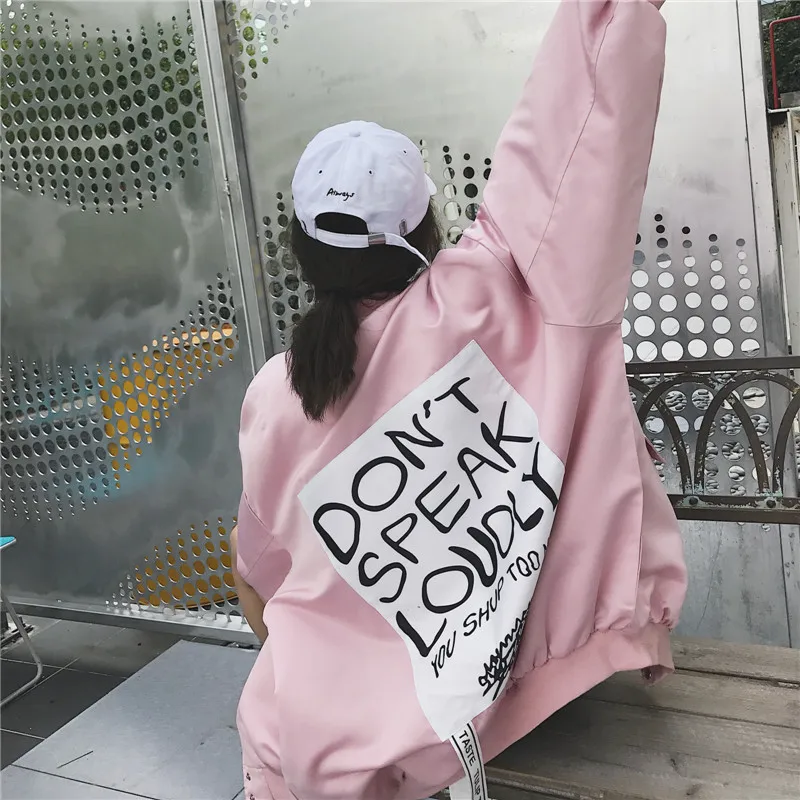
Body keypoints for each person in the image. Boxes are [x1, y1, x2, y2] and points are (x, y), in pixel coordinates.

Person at [231, 0, 687, 798]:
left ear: (301, 253)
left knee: (259, 567)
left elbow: (260, 575)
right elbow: (575, 138)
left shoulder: (278, 393)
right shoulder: (507, 287)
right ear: (427, 230)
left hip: (335, 750)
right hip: (547, 680)